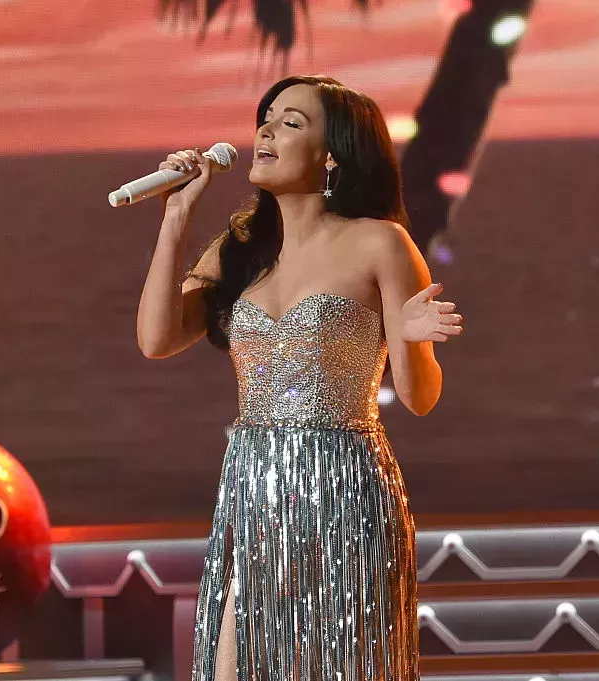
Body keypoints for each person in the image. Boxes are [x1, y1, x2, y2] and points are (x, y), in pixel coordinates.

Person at [136, 75, 463, 681]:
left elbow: (420, 399)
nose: (266, 130)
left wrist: (410, 343)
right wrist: (176, 217)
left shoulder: (381, 243)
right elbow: (157, 341)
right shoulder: (237, 250)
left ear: (331, 155)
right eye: (266, 118)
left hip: (346, 490)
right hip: (254, 489)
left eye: (291, 122)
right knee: (235, 663)